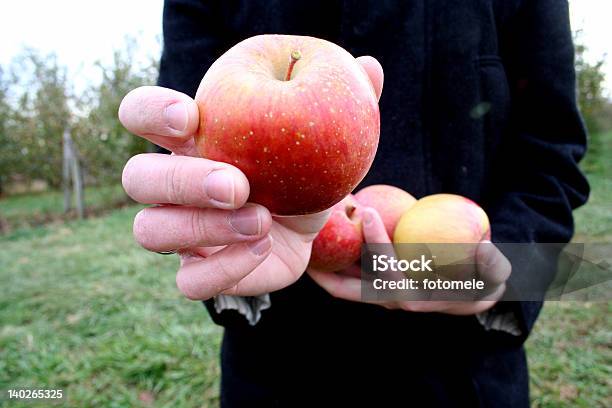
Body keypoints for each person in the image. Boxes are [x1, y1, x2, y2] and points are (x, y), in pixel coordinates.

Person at [118, 0, 589, 406]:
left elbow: (552, 154)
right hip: (278, 371)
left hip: (465, 374)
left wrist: (500, 272)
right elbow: (183, 146)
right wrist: (230, 235)